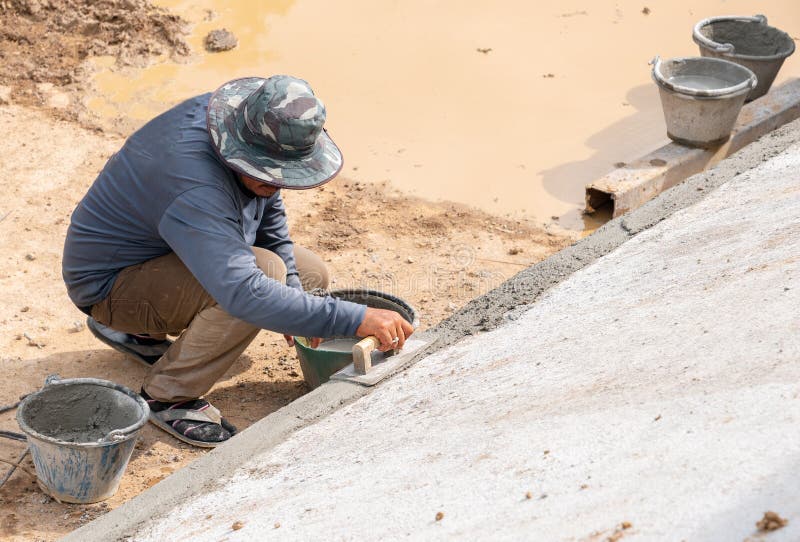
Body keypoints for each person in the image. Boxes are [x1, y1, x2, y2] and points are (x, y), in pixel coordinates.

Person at [62, 75, 414, 447]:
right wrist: (354, 318)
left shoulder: (240, 120)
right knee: (265, 277)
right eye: (268, 173)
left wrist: (297, 299)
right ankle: (168, 395)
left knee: (309, 274)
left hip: (162, 251)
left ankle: (143, 335)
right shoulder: (196, 185)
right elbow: (244, 292)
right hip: (109, 287)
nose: (276, 185)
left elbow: (267, 211)